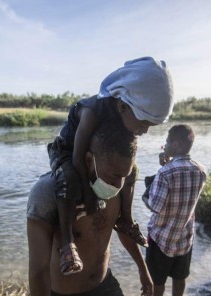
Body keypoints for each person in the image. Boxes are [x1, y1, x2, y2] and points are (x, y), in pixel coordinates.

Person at [28, 120, 154, 296]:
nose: (117, 184)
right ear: (89, 160)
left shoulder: (121, 182)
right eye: (111, 175)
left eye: (125, 175)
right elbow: (37, 271)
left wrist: (143, 269)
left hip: (104, 291)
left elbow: (120, 229)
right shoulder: (49, 194)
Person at [48, 56, 174, 276]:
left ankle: (126, 219)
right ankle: (67, 241)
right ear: (124, 106)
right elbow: (78, 158)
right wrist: (91, 196)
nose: (144, 131)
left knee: (132, 171)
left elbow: (125, 157)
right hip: (68, 151)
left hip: (99, 154)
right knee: (67, 178)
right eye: (143, 123)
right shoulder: (92, 112)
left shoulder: (127, 115)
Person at [143, 124, 207, 296]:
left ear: (176, 144)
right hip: (184, 237)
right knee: (180, 277)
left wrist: (160, 172)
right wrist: (165, 165)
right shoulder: (200, 170)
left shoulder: (166, 173)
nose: (165, 145)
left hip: (161, 237)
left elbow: (155, 206)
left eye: (168, 141)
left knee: (158, 280)